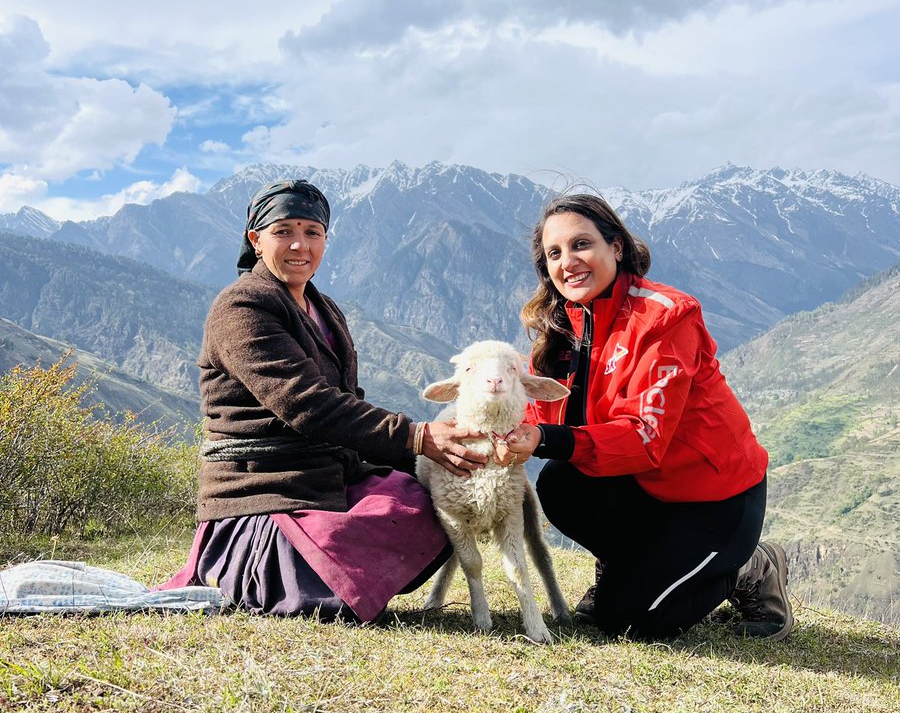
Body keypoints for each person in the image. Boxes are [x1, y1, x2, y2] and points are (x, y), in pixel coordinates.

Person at [161, 178, 486, 621]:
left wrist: (420, 452)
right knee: (323, 593)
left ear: (325, 240)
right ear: (256, 240)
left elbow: (347, 399)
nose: (300, 245)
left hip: (329, 475)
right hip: (267, 489)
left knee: (432, 503)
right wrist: (416, 437)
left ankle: (342, 573)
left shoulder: (324, 308)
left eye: (312, 232)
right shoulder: (241, 308)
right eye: (283, 231)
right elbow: (307, 403)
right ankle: (279, 573)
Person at [501, 192, 793, 641]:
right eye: (554, 253)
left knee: (628, 623)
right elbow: (537, 408)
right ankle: (630, 570)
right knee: (561, 483)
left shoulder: (666, 317)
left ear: (616, 247)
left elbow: (645, 437)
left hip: (715, 499)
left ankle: (748, 566)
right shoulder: (563, 327)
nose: (568, 262)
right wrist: (486, 429)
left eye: (581, 244)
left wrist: (543, 438)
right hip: (645, 489)